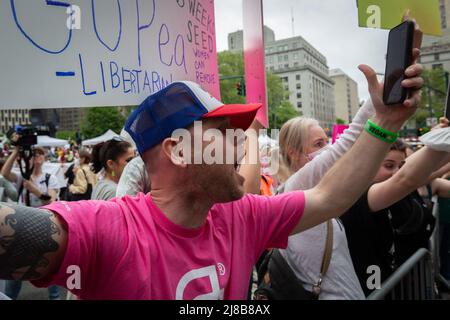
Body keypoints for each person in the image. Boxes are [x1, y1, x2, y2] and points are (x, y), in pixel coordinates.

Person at [0, 71, 423, 299]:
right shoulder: (108, 230)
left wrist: (384, 123)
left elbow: (328, 197)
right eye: (225, 130)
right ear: (178, 151)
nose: (243, 141)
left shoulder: (241, 215)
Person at [340, 136, 450, 296]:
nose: (396, 172)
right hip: (380, 285)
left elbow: (425, 173)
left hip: (411, 283)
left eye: (401, 166)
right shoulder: (363, 195)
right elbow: (407, 178)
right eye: (389, 165)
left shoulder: (406, 191)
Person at [0, 147, 61, 300]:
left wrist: (34, 190)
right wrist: (16, 151)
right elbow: (5, 173)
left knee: (50, 274)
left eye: (41, 153)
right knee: (13, 279)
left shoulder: (50, 178)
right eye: (34, 153)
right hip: (23, 231)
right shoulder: (22, 177)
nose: (38, 156)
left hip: (46, 229)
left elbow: (51, 200)